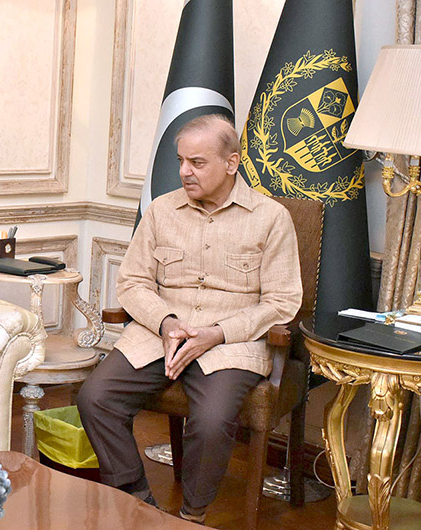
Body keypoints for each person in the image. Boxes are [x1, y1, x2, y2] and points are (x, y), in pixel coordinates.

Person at [77, 114, 302, 524]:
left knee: (213, 421)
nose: (184, 171)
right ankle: (139, 503)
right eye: (181, 160)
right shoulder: (162, 211)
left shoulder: (270, 218)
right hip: (159, 335)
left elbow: (283, 302)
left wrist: (218, 333)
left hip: (231, 345)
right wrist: (165, 323)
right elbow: (132, 283)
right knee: (95, 397)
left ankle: (188, 517)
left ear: (232, 163)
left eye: (197, 162)